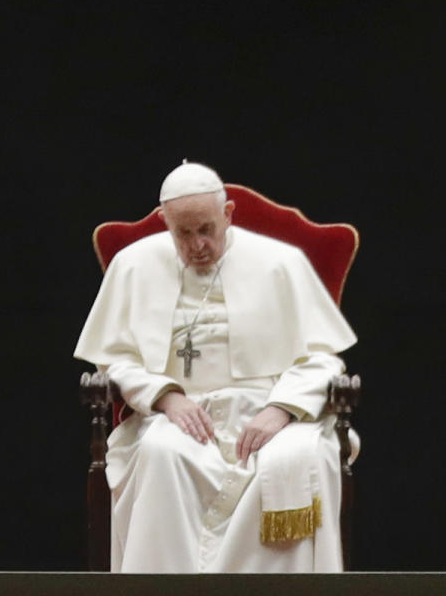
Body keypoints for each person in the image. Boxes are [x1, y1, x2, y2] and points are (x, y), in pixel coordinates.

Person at [74, 162, 357, 573]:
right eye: (183, 234)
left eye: (206, 229)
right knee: (160, 452)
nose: (197, 245)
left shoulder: (281, 262)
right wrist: (167, 398)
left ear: (227, 215)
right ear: (164, 221)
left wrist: (280, 410)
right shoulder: (133, 265)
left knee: (299, 457)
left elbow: (323, 357)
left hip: (269, 409)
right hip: (180, 416)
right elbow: (114, 359)